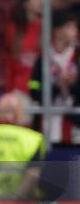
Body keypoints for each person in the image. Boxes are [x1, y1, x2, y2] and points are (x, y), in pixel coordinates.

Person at [29, 11, 79, 144]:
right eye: (69, 27)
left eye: (75, 27)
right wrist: (57, 86)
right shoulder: (43, 58)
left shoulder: (78, 56)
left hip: (75, 121)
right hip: (48, 120)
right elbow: (34, 88)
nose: (75, 31)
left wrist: (73, 85)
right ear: (57, 31)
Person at [5, 0, 43, 93]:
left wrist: (36, 90)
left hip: (37, 85)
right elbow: (11, 61)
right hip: (17, 86)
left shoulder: (47, 29)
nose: (41, 1)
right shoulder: (13, 29)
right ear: (26, 2)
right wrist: (9, 89)